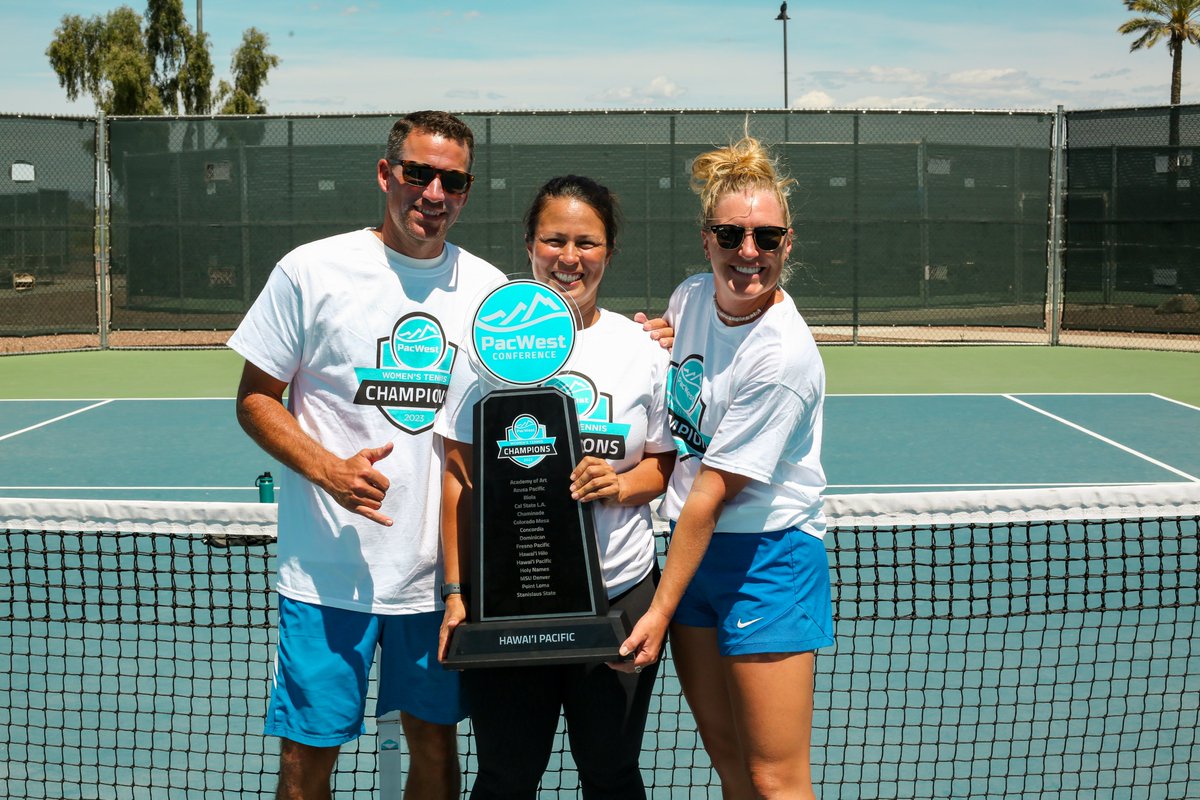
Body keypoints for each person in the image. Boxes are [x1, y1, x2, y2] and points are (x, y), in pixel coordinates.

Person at [228, 110, 505, 800]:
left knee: (436, 753)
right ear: (387, 174)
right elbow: (255, 399)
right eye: (418, 174)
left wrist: (652, 332)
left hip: (438, 584)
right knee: (305, 763)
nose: (433, 194)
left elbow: (560, 352)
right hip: (325, 581)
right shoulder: (311, 272)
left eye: (453, 181)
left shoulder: (491, 291)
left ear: (467, 191)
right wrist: (328, 469)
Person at [436, 175, 676, 799]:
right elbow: (459, 477)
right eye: (554, 240)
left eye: (586, 243)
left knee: (610, 772)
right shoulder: (484, 348)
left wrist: (618, 487)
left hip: (619, 597)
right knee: (507, 777)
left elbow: (661, 466)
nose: (569, 257)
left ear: (609, 252)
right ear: (529, 245)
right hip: (507, 606)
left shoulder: (642, 350)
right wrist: (459, 593)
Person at [619, 136, 835, 800]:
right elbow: (676, 379)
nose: (749, 252)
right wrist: (648, 337)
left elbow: (709, 494)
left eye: (766, 238)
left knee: (775, 779)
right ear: (707, 238)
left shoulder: (784, 359)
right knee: (726, 759)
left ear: (787, 244)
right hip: (696, 557)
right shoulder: (688, 299)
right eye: (732, 234)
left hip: (766, 561)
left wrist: (656, 610)